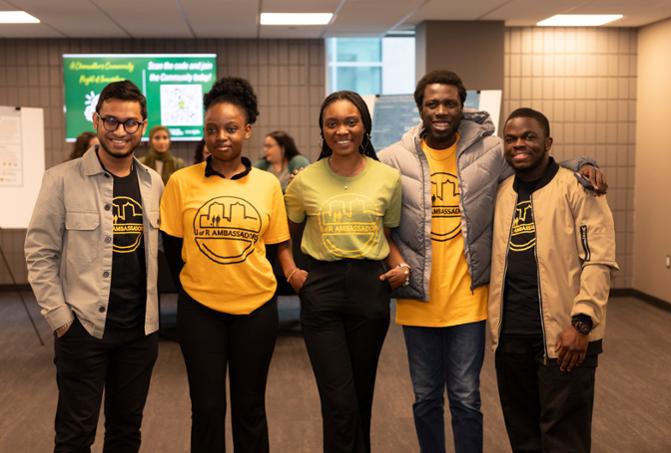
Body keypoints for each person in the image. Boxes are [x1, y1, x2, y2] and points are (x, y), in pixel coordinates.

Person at [378, 70, 607, 453]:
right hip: (419, 301)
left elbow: (535, 161)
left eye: (450, 103)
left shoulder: (489, 151)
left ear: (462, 106)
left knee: (468, 398)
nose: (441, 110)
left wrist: (581, 164)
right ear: (420, 108)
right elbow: (375, 213)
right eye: (432, 103)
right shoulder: (391, 159)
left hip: (472, 301)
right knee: (426, 398)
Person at [25, 80, 163, 452]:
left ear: (143, 125)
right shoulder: (61, 179)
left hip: (139, 331)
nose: (120, 131)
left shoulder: (154, 183)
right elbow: (39, 254)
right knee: (74, 434)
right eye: (111, 121)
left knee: (125, 431)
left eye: (130, 123)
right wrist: (60, 319)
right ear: (96, 119)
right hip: (83, 328)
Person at [160, 77, 292, 453]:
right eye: (212, 129)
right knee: (207, 408)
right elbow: (172, 250)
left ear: (247, 130)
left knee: (250, 409)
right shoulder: (181, 182)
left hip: (257, 310)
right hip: (200, 312)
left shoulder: (267, 185)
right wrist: (196, 287)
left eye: (231, 128)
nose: (221, 137)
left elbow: (274, 246)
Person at [283, 90, 408, 453]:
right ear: (322, 131)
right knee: (338, 401)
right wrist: (292, 272)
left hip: (370, 291)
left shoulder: (388, 179)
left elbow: (385, 238)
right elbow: (283, 237)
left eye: (350, 121)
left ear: (364, 126)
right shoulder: (304, 181)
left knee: (361, 395)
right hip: (321, 289)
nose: (342, 130)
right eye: (332, 123)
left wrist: (399, 266)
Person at [489, 108, 618, 452]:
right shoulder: (502, 193)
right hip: (511, 337)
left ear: (548, 142)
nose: (519, 144)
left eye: (529, 137)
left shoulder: (579, 188)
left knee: (564, 439)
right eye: (512, 138)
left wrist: (582, 322)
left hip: (565, 337)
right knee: (524, 436)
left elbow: (599, 260)